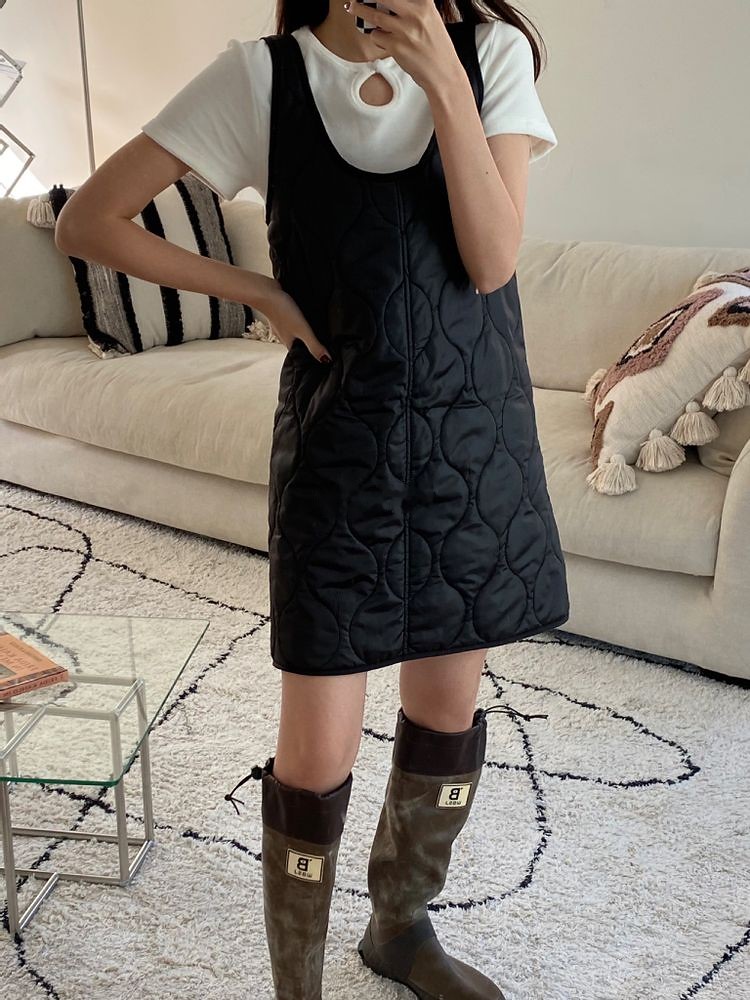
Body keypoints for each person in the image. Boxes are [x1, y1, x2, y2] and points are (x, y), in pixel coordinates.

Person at [55, 1, 569, 996]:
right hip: (342, 452)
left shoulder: (489, 55)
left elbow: (492, 260)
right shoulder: (263, 76)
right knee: (316, 752)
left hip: (474, 446)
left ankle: (399, 929)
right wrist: (254, 291)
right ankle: (299, 987)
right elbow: (89, 221)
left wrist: (445, 82)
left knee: (445, 716)